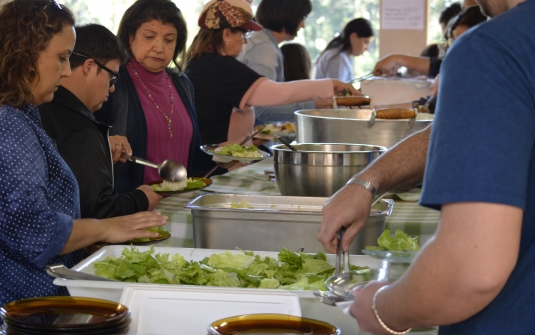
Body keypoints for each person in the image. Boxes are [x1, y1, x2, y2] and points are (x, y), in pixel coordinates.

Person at [318, 0, 534, 333]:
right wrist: (365, 183)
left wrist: (380, 309)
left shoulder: (492, 48)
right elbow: (464, 130)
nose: (468, 3)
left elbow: (470, 270)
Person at [0, 0, 167, 309]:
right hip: (27, 304)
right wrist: (107, 227)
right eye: (62, 58)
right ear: (26, 55)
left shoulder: (24, 112)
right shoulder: (9, 124)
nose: (66, 72)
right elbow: (36, 231)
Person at [187, 0, 359, 151]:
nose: (246, 41)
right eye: (243, 34)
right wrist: (331, 85)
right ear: (226, 34)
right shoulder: (224, 67)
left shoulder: (195, 61)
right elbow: (279, 93)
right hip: (213, 164)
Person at [38, 24, 162, 219]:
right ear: (89, 66)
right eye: (111, 78)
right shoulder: (81, 129)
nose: (112, 89)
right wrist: (142, 198)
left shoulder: (41, 107)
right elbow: (100, 210)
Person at [94, 0, 213, 194]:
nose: (159, 47)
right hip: (132, 206)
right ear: (130, 37)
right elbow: (85, 140)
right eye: (149, 37)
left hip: (180, 201)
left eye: (169, 40)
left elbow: (193, 152)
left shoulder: (182, 84)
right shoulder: (114, 81)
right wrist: (105, 141)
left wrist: (219, 158)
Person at [240, 0, 344, 123]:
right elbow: (263, 109)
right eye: (302, 18)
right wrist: (314, 105)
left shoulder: (262, 42)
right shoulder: (264, 48)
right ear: (288, 15)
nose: (303, 25)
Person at [313, 18, 374, 82]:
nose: (367, 48)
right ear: (353, 37)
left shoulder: (340, 53)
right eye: (366, 42)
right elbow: (335, 90)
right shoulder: (338, 57)